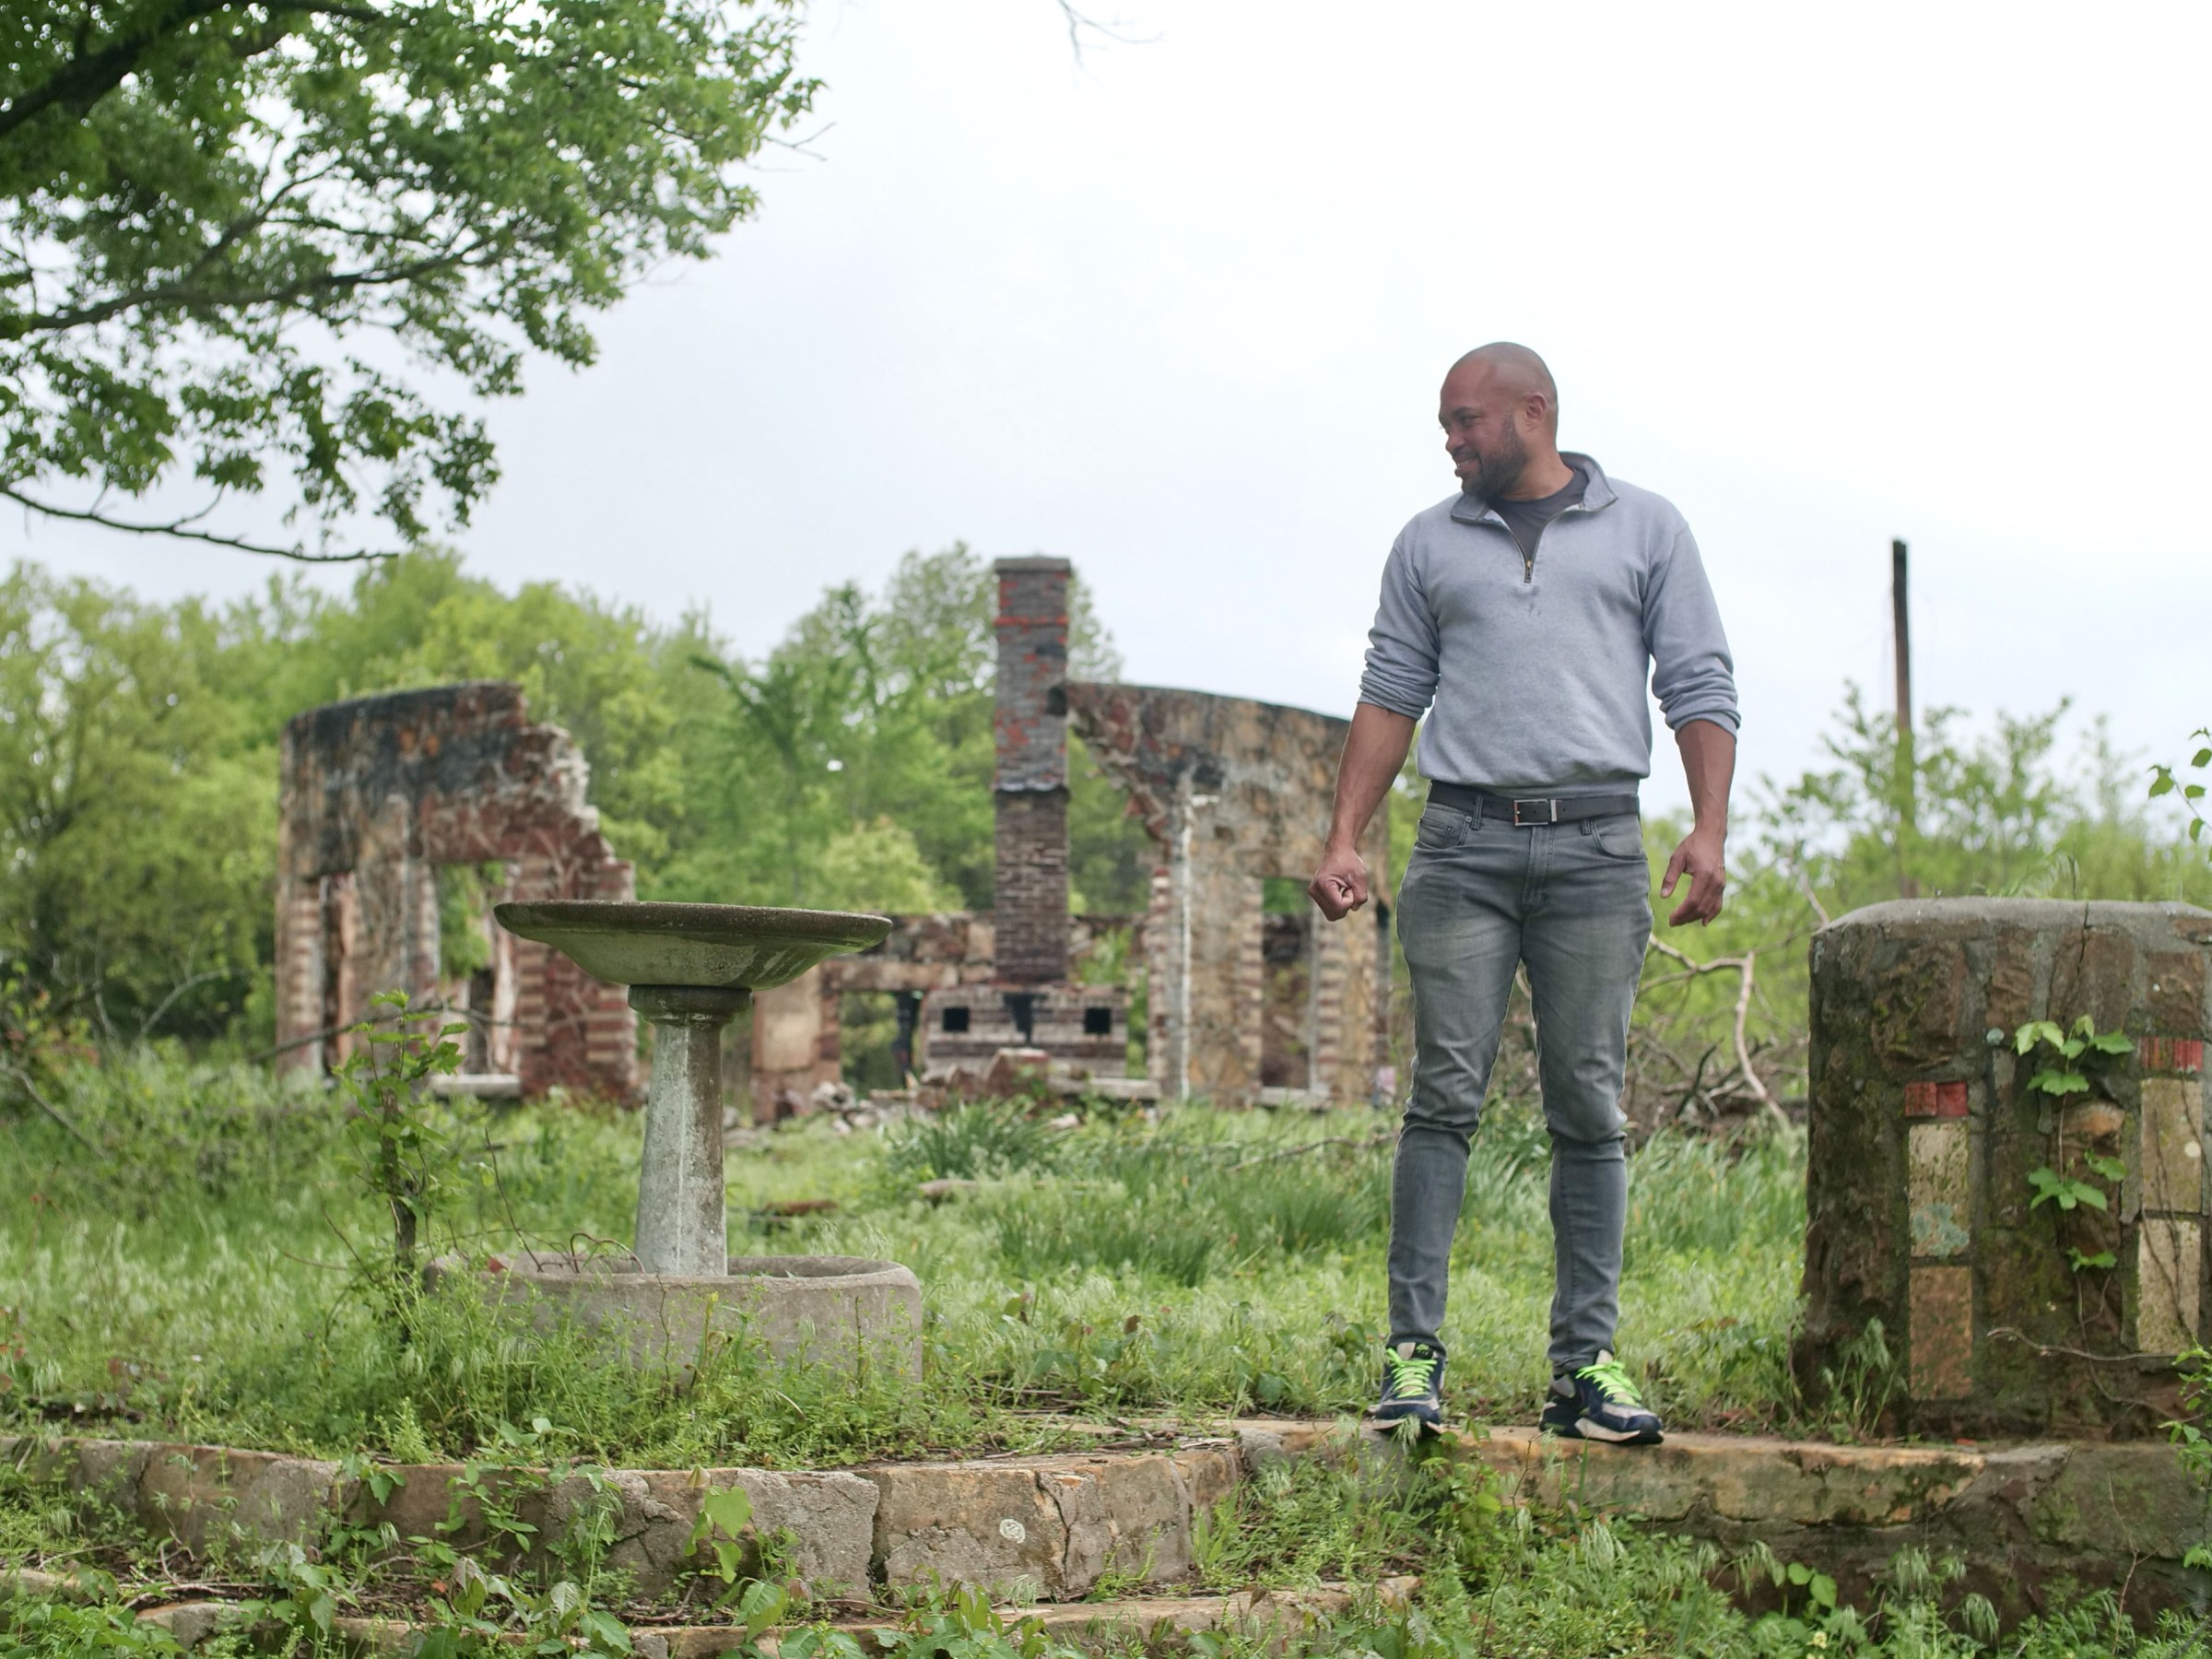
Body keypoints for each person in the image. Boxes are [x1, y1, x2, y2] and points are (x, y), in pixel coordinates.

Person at [1307, 343, 1738, 1444]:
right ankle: (1413, 1358)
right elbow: (1391, 688)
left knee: (1587, 1109)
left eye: (1467, 422)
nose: (1452, 441)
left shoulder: (1649, 529)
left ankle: (1583, 1366)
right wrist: (1346, 832)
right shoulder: (1427, 543)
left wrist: (1707, 827)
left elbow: (1697, 680)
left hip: (1596, 852)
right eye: (1446, 426)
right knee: (1442, 1098)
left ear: (1532, 413)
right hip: (1461, 849)